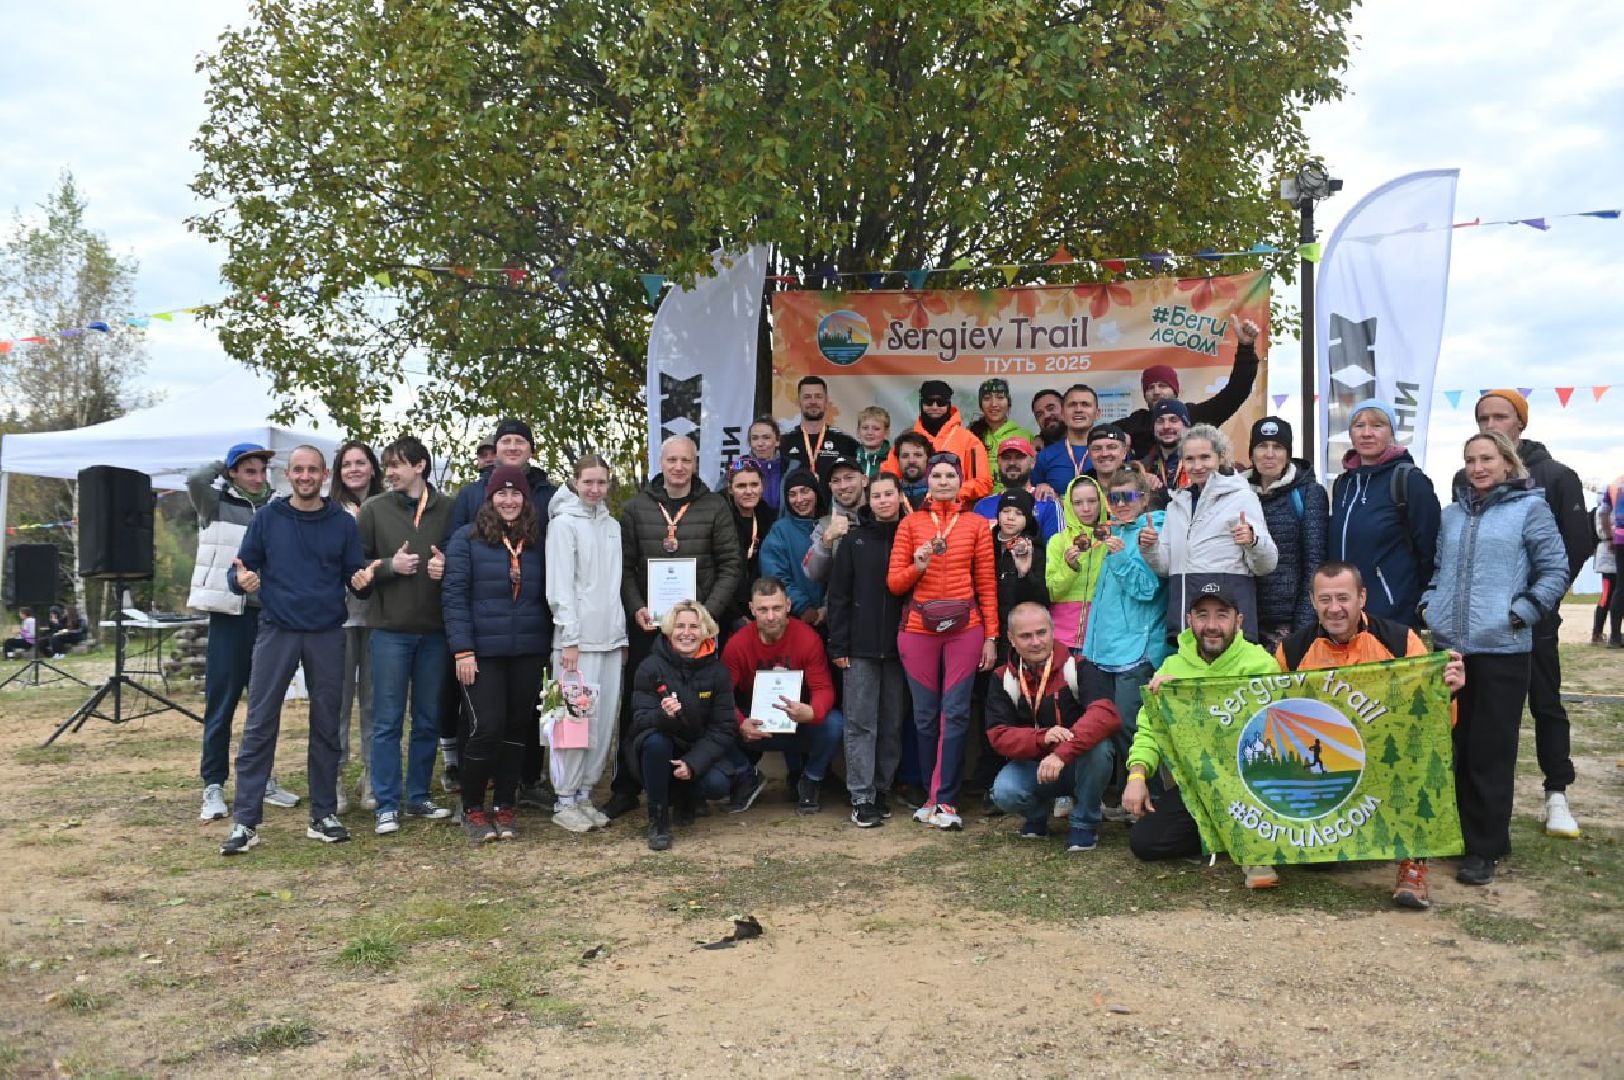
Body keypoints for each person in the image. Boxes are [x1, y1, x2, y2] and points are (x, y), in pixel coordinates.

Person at [1420, 431, 1568, 886]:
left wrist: (1522, 612)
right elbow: (1440, 569)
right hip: (1450, 646)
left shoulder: (1531, 509)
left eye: (1486, 459)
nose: (1478, 467)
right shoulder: (1451, 515)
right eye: (1470, 460)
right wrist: (1430, 603)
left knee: (1491, 748)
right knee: (1454, 745)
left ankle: (1485, 847)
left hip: (1502, 648)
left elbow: (1555, 568)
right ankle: (1459, 834)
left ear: (1507, 462)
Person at [1275, 561, 1466, 909]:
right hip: (1329, 761)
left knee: (1426, 755)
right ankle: (1323, 838)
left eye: (1344, 598)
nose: (1335, 608)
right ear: (1313, 601)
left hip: (1387, 757)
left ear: (1362, 597)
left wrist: (1448, 692)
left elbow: (1435, 722)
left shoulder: (1399, 640)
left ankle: (1413, 864)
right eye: (1326, 599)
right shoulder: (1292, 651)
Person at [219, 446, 371, 855]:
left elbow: (356, 577)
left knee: (326, 725)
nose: (305, 477)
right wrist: (243, 582)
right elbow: (240, 572)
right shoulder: (268, 518)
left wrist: (365, 579)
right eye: (298, 470)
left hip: (326, 633)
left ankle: (323, 815)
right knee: (259, 723)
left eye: (313, 471)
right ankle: (245, 821)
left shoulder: (341, 523)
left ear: (325, 475)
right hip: (277, 630)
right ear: (288, 474)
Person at [1464, 390, 1593, 838]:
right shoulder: (1468, 478)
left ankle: (1557, 793)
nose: (1492, 424)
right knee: (1480, 715)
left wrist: (1539, 600)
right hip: (1481, 623)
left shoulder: (1556, 476)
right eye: (1484, 417)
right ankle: (1475, 807)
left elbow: (1575, 546)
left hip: (1533, 616)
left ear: (1520, 423)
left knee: (1545, 702)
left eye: (1501, 416)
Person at [604, 435, 742, 820]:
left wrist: (705, 619)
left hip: (697, 631)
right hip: (650, 628)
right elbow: (626, 568)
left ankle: (687, 786)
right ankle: (626, 787)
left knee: (696, 709)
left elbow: (731, 565)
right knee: (639, 707)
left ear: (695, 463)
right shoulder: (635, 508)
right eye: (672, 460)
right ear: (661, 462)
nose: (679, 467)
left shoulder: (715, 506)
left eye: (686, 460)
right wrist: (636, 608)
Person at [1121, 584, 1282, 888]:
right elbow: (1151, 729)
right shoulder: (1173, 666)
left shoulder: (1261, 664)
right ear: (1189, 620)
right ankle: (1232, 834)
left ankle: (1252, 846)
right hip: (1199, 786)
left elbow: (1270, 732)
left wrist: (1190, 696)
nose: (1211, 626)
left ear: (1239, 621)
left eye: (1222, 615)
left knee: (1321, 862)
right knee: (1145, 843)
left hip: (1252, 784)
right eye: (1202, 615)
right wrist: (1137, 776)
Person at [446, 418, 558, 808]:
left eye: (516, 495)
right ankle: (473, 806)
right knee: (486, 728)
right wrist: (462, 650)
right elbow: (455, 599)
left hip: (528, 648)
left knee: (516, 730)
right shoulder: (466, 539)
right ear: (490, 497)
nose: (508, 501)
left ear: (526, 500)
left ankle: (506, 804)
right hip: (482, 652)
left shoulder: (538, 542)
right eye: (501, 495)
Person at [887, 451, 1000, 831]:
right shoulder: (911, 524)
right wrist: (918, 564)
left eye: (951, 475)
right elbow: (894, 583)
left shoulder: (977, 525)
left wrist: (992, 636)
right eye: (937, 475)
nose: (944, 481)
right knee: (923, 715)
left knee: (956, 712)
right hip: (918, 629)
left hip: (965, 628)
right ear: (928, 482)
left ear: (961, 481)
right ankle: (928, 796)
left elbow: (986, 583)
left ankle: (946, 800)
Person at [188, 442, 297, 822]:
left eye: (261, 471)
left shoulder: (278, 507)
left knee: (264, 706)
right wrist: (227, 461)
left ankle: (262, 779)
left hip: (267, 616)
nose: (257, 477)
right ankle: (213, 785)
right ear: (233, 473)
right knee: (222, 704)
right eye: (248, 471)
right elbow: (194, 478)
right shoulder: (213, 502)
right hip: (228, 616)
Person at [359, 436, 456, 834]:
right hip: (389, 633)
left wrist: (446, 566)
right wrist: (387, 566)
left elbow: (462, 555)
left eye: (396, 464)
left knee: (429, 720)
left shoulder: (449, 508)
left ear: (420, 466)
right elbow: (354, 569)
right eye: (387, 464)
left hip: (435, 632)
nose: (389, 472)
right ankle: (386, 803)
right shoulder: (372, 510)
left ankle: (418, 797)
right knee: (387, 721)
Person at [987, 604, 1121, 851]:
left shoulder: (1079, 667)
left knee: (1101, 749)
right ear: (1011, 639)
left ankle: (1084, 823)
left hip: (1076, 764)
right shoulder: (1002, 678)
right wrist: (1042, 737)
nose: (1036, 642)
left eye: (1041, 632)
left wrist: (1062, 753)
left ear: (1053, 630)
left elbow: (1105, 714)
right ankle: (1037, 816)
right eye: (1026, 636)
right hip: (1034, 766)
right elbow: (998, 735)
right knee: (1004, 792)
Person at [545, 454, 628, 833]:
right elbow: (560, 586)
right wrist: (570, 639)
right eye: (588, 482)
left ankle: (584, 794)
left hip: (610, 641)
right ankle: (564, 797)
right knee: (570, 723)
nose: (595, 489)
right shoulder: (563, 525)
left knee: (601, 722)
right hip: (575, 644)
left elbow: (613, 587)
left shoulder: (612, 525)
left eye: (602, 482)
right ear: (575, 483)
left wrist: (621, 635)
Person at [1142, 423, 1278, 642]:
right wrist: (1150, 548)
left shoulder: (1242, 497)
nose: (1197, 466)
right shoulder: (1175, 504)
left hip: (1227, 629)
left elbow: (1267, 564)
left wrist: (1253, 541)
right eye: (1190, 459)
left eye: (1205, 457)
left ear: (1221, 457)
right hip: (1185, 624)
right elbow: (1166, 567)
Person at [1078, 466, 1171, 786]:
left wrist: (1119, 557)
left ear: (1144, 499)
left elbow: (1147, 590)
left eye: (1128, 497)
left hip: (1137, 650)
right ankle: (1124, 795)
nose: (1120, 504)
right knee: (1111, 725)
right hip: (1104, 649)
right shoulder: (1113, 531)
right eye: (1113, 498)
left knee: (1134, 725)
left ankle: (1153, 796)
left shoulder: (1153, 530)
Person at [828, 472, 910, 827]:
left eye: (889, 494)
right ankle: (861, 797)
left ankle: (881, 788)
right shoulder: (854, 540)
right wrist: (839, 644)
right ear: (868, 499)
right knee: (861, 724)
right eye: (876, 495)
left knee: (891, 724)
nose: (882, 501)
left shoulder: (913, 536)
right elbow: (839, 596)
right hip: (859, 649)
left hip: (901, 648)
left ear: (899, 496)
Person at [629, 600, 745, 851]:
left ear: (705, 631)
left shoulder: (718, 672)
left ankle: (688, 797)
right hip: (658, 748)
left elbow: (724, 728)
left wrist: (693, 763)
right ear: (670, 630)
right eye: (680, 626)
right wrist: (663, 715)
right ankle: (658, 819)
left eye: (694, 626)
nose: (687, 633)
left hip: (697, 748)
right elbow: (640, 719)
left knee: (717, 784)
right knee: (655, 742)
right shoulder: (649, 667)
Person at [723, 577, 845, 813]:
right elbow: (722, 696)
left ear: (788, 605)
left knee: (834, 723)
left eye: (777, 608)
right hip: (755, 725)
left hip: (797, 720)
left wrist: (812, 712)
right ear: (751, 609)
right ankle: (747, 776)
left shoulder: (807, 638)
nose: (771, 616)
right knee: (713, 721)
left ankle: (811, 779)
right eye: (763, 609)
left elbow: (823, 688)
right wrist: (741, 724)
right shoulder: (736, 645)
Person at [1327, 399, 1440, 628]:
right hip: (1344, 616)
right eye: (1359, 426)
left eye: (1377, 425)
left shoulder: (1409, 480)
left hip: (1393, 615)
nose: (1367, 433)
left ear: (1391, 433)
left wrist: (1418, 604)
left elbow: (1431, 552)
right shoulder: (1343, 483)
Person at [329, 439, 383, 813]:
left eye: (360, 462)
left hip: (380, 616)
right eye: (347, 464)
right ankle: (333, 779)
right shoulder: (329, 509)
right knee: (336, 704)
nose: (354, 469)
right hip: (338, 617)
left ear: (372, 468)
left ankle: (372, 778)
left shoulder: (388, 506)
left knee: (375, 704)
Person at [1118, 319, 1261, 457]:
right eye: (1150, 388)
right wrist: (1116, 436)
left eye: (1163, 386)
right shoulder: (1136, 422)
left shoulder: (1196, 415)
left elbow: (1236, 392)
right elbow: (1098, 434)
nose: (1156, 392)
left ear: (1175, 390)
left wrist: (1246, 348)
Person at [1244, 417, 1328, 648]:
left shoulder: (1308, 493)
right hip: (1244, 620)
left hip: (1288, 623)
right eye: (1262, 446)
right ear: (1251, 454)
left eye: (1278, 447)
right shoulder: (1237, 494)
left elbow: (1315, 564)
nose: (1269, 454)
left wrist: (1303, 628)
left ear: (1288, 454)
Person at [881, 380, 993, 502]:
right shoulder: (907, 439)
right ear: (921, 404)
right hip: (913, 512)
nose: (934, 407)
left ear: (949, 404)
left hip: (957, 512)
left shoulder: (969, 440)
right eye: (929, 402)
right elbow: (888, 479)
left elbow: (984, 483)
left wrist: (951, 493)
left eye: (940, 402)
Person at [1045, 476, 1109, 654]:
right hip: (1060, 637)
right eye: (1078, 503)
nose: (1086, 508)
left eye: (1092, 501)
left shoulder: (1111, 538)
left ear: (1101, 501)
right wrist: (1069, 567)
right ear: (1069, 505)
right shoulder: (1058, 541)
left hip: (1099, 636)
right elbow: (1051, 592)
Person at [759, 469, 828, 625]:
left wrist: (828, 608)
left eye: (805, 491)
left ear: (816, 493)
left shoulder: (831, 524)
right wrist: (803, 607)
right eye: (792, 494)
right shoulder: (780, 531)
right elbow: (775, 575)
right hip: (797, 620)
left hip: (835, 618)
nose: (799, 499)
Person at [722, 459, 778, 631]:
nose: (749, 491)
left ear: (763, 486)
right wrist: (734, 616)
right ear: (730, 489)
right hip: (726, 612)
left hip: (761, 608)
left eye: (754, 484)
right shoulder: (719, 517)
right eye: (741, 486)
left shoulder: (768, 517)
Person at [972, 436, 1060, 541]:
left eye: (1019, 457)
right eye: (1006, 457)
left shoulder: (1047, 502)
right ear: (998, 462)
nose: (1012, 463)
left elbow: (1056, 553)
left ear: (1033, 462)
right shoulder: (982, 506)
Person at [780, 375, 860, 485]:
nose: (813, 401)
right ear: (799, 401)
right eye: (807, 397)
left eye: (818, 396)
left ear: (826, 400)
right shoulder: (783, 443)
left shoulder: (846, 443)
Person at [802, 456, 869, 586]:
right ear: (830, 486)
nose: (843, 486)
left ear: (864, 480)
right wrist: (827, 541)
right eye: (836, 481)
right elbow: (812, 573)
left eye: (849, 478)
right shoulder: (824, 526)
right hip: (842, 604)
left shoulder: (881, 516)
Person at [1031, 384, 1099, 498]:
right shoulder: (1044, 455)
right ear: (1063, 413)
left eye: (1085, 404)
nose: (1078, 410)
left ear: (1097, 413)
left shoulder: (1110, 451)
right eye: (1072, 405)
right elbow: (1035, 499)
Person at [968, 378, 1034, 491]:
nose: (994, 404)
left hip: (1016, 504)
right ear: (980, 405)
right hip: (980, 505)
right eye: (987, 398)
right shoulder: (970, 436)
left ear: (1009, 403)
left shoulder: (1025, 436)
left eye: (1000, 397)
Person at [1140, 399, 1191, 496]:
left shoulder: (1201, 463)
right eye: (1160, 421)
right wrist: (1140, 478)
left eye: (1173, 420)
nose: (1166, 426)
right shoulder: (1145, 467)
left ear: (1186, 426)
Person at [743, 418, 785, 511]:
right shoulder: (738, 467)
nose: (760, 443)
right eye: (755, 438)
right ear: (750, 443)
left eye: (766, 437)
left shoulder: (791, 467)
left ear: (777, 441)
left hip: (783, 524)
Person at [1595, 493, 1620, 646]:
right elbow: (1605, 528)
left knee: (1617, 596)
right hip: (1608, 553)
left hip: (1615, 555)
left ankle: (1614, 633)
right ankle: (1596, 632)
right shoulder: (1603, 511)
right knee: (1606, 595)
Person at [1604, 474, 1624, 647]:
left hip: (1620, 538)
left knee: (1620, 587)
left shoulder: (1614, 483)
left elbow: (1603, 512)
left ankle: (1615, 637)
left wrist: (1609, 538)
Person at [1083, 423, 1134, 491]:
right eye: (1097, 448)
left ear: (1124, 453)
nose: (1104, 454)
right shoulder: (1077, 490)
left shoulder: (1141, 486)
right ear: (1089, 454)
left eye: (1112, 447)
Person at [892, 432, 933, 511]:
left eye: (918, 455)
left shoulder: (939, 492)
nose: (911, 461)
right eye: (905, 456)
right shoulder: (890, 494)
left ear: (928, 459)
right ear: (898, 460)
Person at [854, 406, 892, 481]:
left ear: (886, 433)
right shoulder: (851, 457)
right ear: (858, 432)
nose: (870, 433)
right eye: (865, 428)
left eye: (876, 429)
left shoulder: (893, 458)